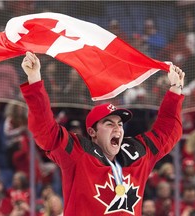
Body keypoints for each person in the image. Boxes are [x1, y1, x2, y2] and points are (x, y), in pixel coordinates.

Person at [20, 51, 185, 215]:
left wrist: (175, 89)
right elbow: (45, 132)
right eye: (109, 123)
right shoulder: (79, 154)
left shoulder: (138, 154)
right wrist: (34, 80)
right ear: (92, 132)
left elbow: (168, 132)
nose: (117, 128)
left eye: (120, 124)